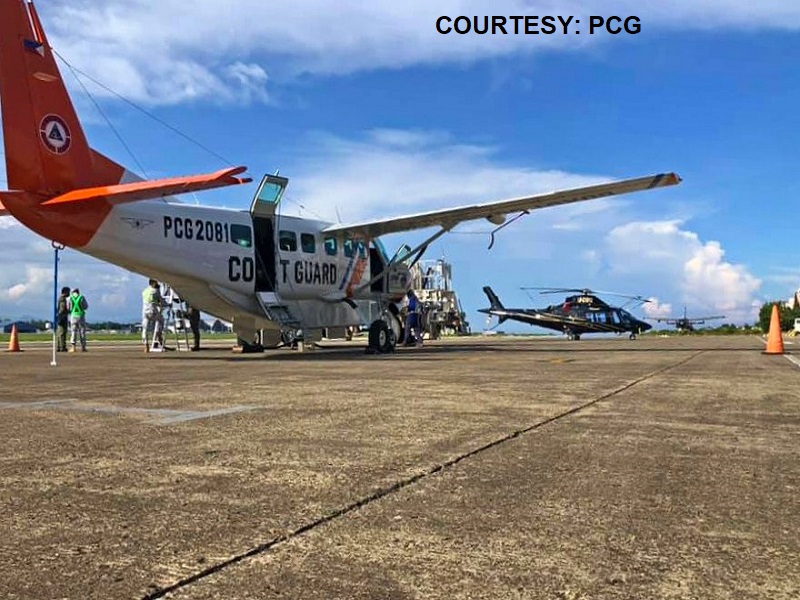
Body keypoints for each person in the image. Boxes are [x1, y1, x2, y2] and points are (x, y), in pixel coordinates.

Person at [141, 279, 165, 352]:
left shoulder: (144, 291)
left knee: (145, 329)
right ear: (153, 283)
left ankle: (146, 345)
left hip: (145, 312)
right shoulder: (155, 291)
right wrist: (166, 304)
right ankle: (159, 335)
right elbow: (161, 300)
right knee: (160, 320)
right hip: (152, 311)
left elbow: (150, 300)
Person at [67, 288, 88, 352]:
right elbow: (86, 306)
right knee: (82, 332)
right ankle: (83, 347)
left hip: (73, 316)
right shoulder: (82, 297)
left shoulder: (70, 298)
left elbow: (68, 308)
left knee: (73, 331)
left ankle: (73, 347)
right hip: (81, 315)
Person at [56, 286, 70, 352]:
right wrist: (65, 312)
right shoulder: (63, 299)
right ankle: (62, 347)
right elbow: (62, 308)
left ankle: (59, 346)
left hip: (60, 316)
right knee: (62, 332)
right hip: (62, 317)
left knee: (59, 332)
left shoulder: (60, 298)